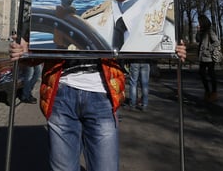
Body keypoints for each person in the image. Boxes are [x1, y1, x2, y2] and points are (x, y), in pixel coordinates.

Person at [10, 35, 186, 171]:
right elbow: (34, 51)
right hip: (61, 93)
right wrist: (24, 51)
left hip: (102, 95)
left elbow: (140, 38)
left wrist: (170, 47)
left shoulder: (117, 1)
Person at [196, 14, 220, 102]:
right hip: (202, 57)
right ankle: (207, 92)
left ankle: (214, 93)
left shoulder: (210, 31)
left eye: (199, 22)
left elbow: (217, 42)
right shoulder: (202, 31)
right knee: (201, 73)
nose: (198, 23)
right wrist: (198, 31)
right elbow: (197, 40)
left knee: (211, 74)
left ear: (203, 22)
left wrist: (208, 49)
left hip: (209, 57)